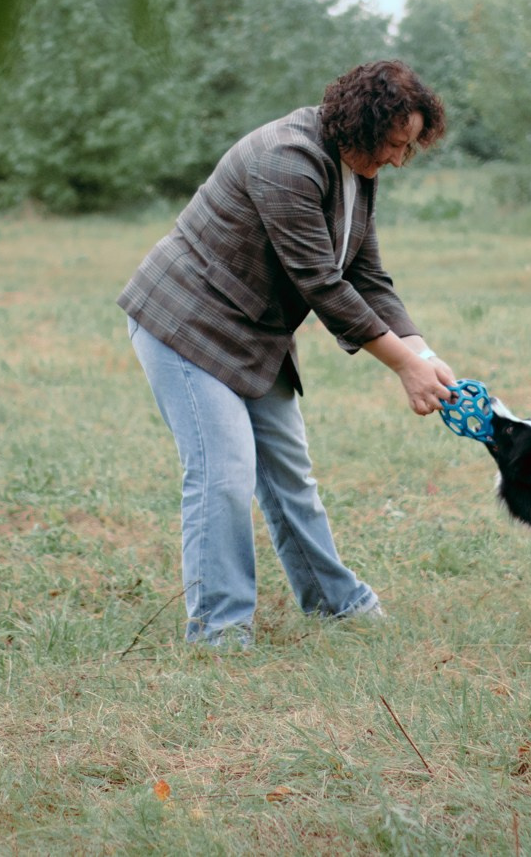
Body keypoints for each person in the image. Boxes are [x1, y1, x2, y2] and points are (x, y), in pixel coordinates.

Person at [119, 60, 455, 648]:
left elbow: (366, 273)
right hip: (185, 321)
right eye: (394, 144)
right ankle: (220, 631)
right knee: (223, 474)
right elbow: (322, 283)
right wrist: (403, 367)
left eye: (409, 147)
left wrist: (421, 351)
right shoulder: (286, 160)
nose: (399, 159)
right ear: (361, 126)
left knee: (289, 474)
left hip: (256, 331)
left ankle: (336, 603)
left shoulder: (358, 167)